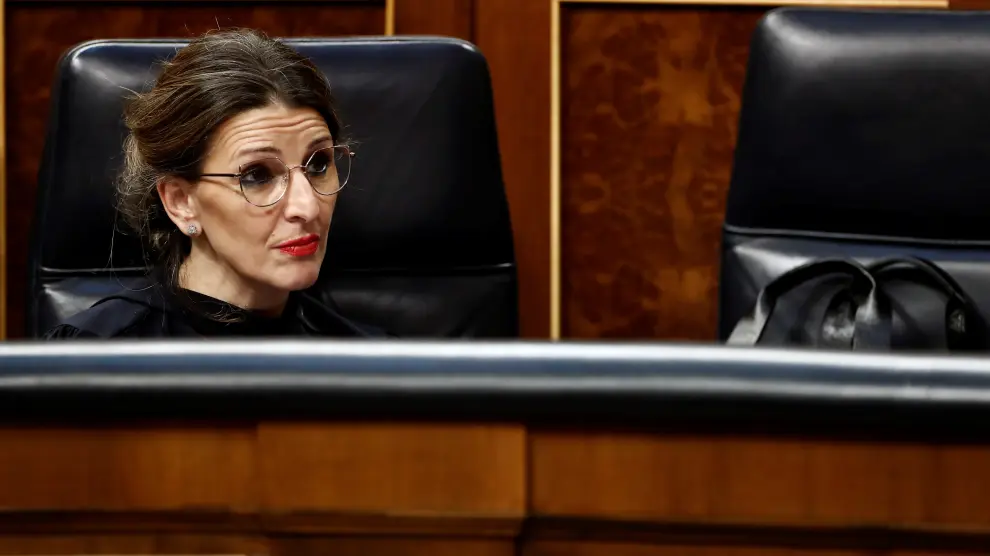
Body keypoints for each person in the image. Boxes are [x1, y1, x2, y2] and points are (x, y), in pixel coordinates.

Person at [45, 28, 386, 339]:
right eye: (257, 175)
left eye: (319, 164)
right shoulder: (93, 358)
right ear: (181, 202)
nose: (307, 206)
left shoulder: (373, 360)